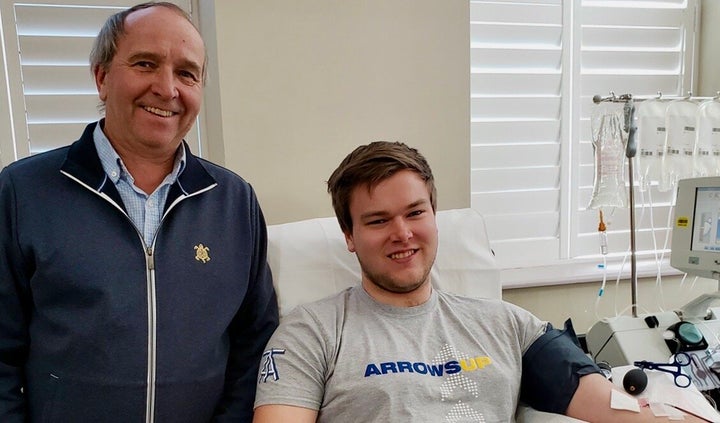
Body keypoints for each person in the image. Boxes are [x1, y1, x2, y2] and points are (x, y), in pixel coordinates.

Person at [253, 141, 708, 422]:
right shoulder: (310, 333)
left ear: (434, 217)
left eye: (415, 213)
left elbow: (616, 409)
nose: (403, 233)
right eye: (377, 221)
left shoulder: (508, 325)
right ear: (349, 236)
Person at [0, 2, 278, 422]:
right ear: (102, 77)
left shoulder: (233, 202)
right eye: (146, 64)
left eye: (186, 73)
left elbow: (254, 347)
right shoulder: (23, 193)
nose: (167, 89)